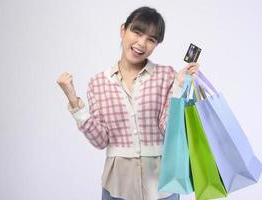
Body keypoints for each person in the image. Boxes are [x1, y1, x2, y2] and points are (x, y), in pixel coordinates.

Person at [57, 6, 199, 200]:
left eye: (151, 39)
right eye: (137, 32)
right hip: (117, 188)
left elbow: (168, 130)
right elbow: (100, 140)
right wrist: (74, 101)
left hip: (162, 188)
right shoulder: (98, 83)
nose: (142, 43)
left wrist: (180, 87)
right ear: (123, 30)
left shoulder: (166, 76)